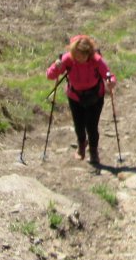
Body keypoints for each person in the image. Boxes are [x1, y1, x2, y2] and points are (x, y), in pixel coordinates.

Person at [46, 35, 115, 168]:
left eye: (80, 56)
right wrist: (56, 66)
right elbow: (50, 75)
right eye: (75, 55)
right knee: (78, 124)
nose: (77, 59)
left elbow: (108, 75)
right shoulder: (67, 58)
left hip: (95, 96)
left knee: (92, 126)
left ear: (87, 53)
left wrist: (111, 81)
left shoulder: (96, 60)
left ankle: (93, 151)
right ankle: (81, 146)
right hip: (75, 96)